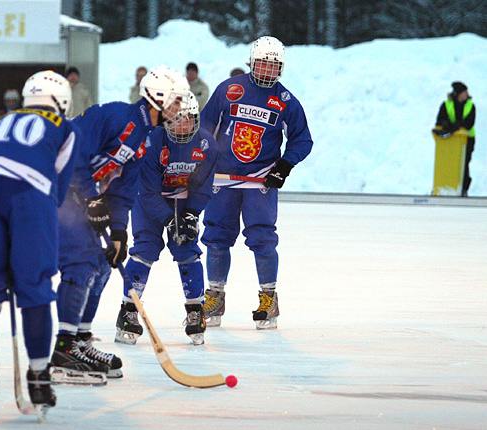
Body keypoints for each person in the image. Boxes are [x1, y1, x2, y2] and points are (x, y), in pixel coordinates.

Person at [49, 65, 190, 383]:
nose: (180, 109)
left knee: (101, 264)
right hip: (52, 187)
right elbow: (75, 158)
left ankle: (80, 342)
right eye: (176, 101)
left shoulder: (146, 138)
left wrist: (119, 232)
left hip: (75, 196)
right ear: (158, 98)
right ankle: (64, 350)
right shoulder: (117, 116)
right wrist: (92, 200)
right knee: (82, 262)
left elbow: (124, 192)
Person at [0, 70, 79, 416]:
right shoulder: (66, 127)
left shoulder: (4, 118)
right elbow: (56, 189)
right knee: (34, 284)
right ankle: (40, 378)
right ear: (61, 102)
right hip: (29, 190)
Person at [199, 36, 314, 330]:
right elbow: (206, 125)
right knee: (216, 236)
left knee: (262, 238)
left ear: (281, 69)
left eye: (273, 66)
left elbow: (302, 139)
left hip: (259, 180)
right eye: (262, 63)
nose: (267, 70)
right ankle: (215, 295)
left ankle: (269, 297)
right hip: (223, 178)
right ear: (252, 62)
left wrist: (284, 166)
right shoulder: (230, 89)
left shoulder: (286, 101)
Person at [115, 93, 218, 346]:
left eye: (189, 120)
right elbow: (146, 190)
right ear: (165, 120)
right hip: (149, 199)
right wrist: (167, 219)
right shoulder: (150, 142)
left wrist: (192, 214)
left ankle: (196, 310)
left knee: (187, 249)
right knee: (145, 250)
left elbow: (203, 186)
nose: (183, 126)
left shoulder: (207, 145)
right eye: (176, 120)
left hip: (183, 200)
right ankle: (128, 310)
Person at [435, 81, 476, 197]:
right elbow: (439, 120)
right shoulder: (447, 104)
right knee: (448, 163)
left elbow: (469, 124)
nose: (466, 95)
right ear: (457, 94)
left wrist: (457, 125)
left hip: (467, 140)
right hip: (449, 140)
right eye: (464, 92)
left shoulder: (470, 106)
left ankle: (463, 188)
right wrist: (446, 124)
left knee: (464, 163)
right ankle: (447, 186)